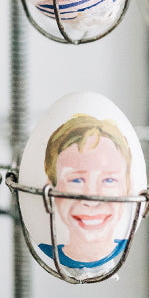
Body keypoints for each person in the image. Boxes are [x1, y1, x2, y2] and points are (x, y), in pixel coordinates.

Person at [40, 114, 132, 270]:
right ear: (50, 188)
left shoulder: (124, 242)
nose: (91, 200)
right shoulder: (47, 245)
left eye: (109, 180)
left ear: (128, 187)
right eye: (76, 180)